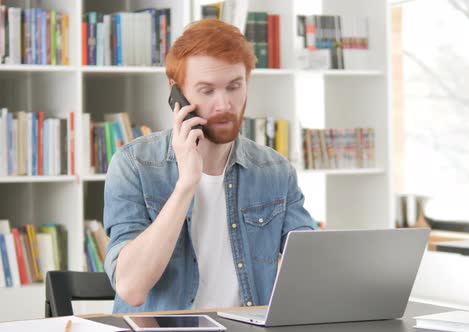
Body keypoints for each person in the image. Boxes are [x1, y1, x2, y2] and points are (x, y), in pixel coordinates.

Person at [103, 19, 316, 313]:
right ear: (177, 93)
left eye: (234, 86)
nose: (224, 104)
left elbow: (313, 267)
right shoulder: (134, 165)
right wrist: (186, 185)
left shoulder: (275, 171)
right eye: (207, 90)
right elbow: (131, 288)